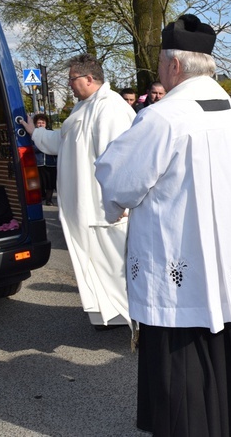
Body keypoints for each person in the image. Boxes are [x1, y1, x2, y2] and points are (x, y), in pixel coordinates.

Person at [94, 14, 231, 436]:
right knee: (225, 342)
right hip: (224, 256)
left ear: (175, 65)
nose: (158, 70)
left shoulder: (162, 116)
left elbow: (120, 176)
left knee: (180, 355)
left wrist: (114, 202)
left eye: (160, 62)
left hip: (178, 254)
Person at [21, 54, 135, 329]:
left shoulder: (111, 109)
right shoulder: (82, 108)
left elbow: (121, 160)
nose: (69, 84)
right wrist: (35, 133)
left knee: (115, 264)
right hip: (85, 207)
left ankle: (137, 320)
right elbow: (63, 141)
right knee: (96, 263)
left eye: (72, 79)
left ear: (89, 79)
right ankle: (111, 315)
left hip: (104, 208)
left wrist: (123, 201)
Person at [32, 114, 57, 205]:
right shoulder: (33, 134)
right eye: (39, 123)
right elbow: (33, 148)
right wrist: (45, 146)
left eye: (43, 122)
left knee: (50, 183)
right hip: (39, 163)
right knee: (40, 183)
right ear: (35, 124)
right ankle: (41, 197)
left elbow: (55, 146)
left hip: (51, 163)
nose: (41, 124)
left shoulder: (51, 133)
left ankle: (48, 200)